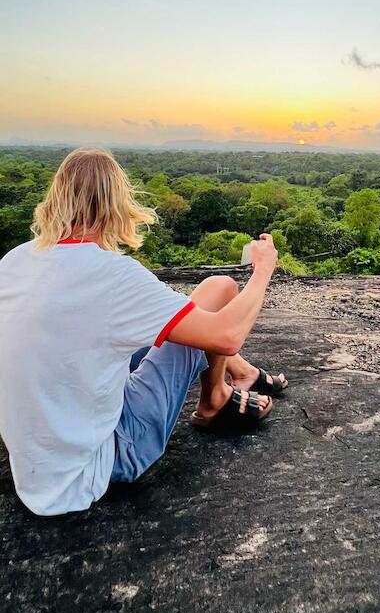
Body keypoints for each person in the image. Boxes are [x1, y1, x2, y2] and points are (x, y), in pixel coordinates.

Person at [0, 148, 287, 516]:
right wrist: (263, 270)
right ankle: (215, 398)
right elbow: (227, 335)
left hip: (38, 465)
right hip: (103, 462)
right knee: (220, 290)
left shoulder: (15, 261)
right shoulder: (112, 275)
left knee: (187, 316)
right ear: (117, 204)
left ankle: (241, 373)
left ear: (55, 198)